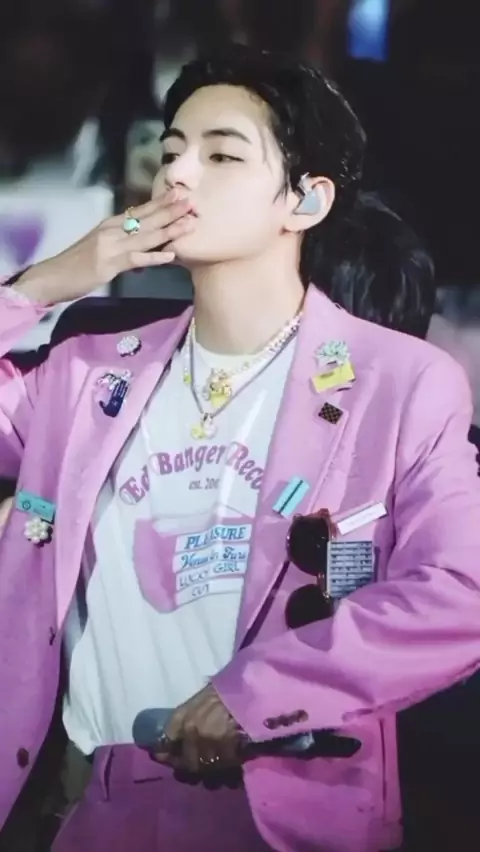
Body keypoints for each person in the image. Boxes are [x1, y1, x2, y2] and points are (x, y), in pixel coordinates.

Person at [0, 47, 479, 852]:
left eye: (222, 155)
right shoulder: (86, 377)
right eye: (172, 150)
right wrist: (47, 282)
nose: (179, 174)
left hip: (285, 810)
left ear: (305, 199)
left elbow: (460, 590)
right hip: (94, 805)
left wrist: (259, 693)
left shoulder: (397, 382)